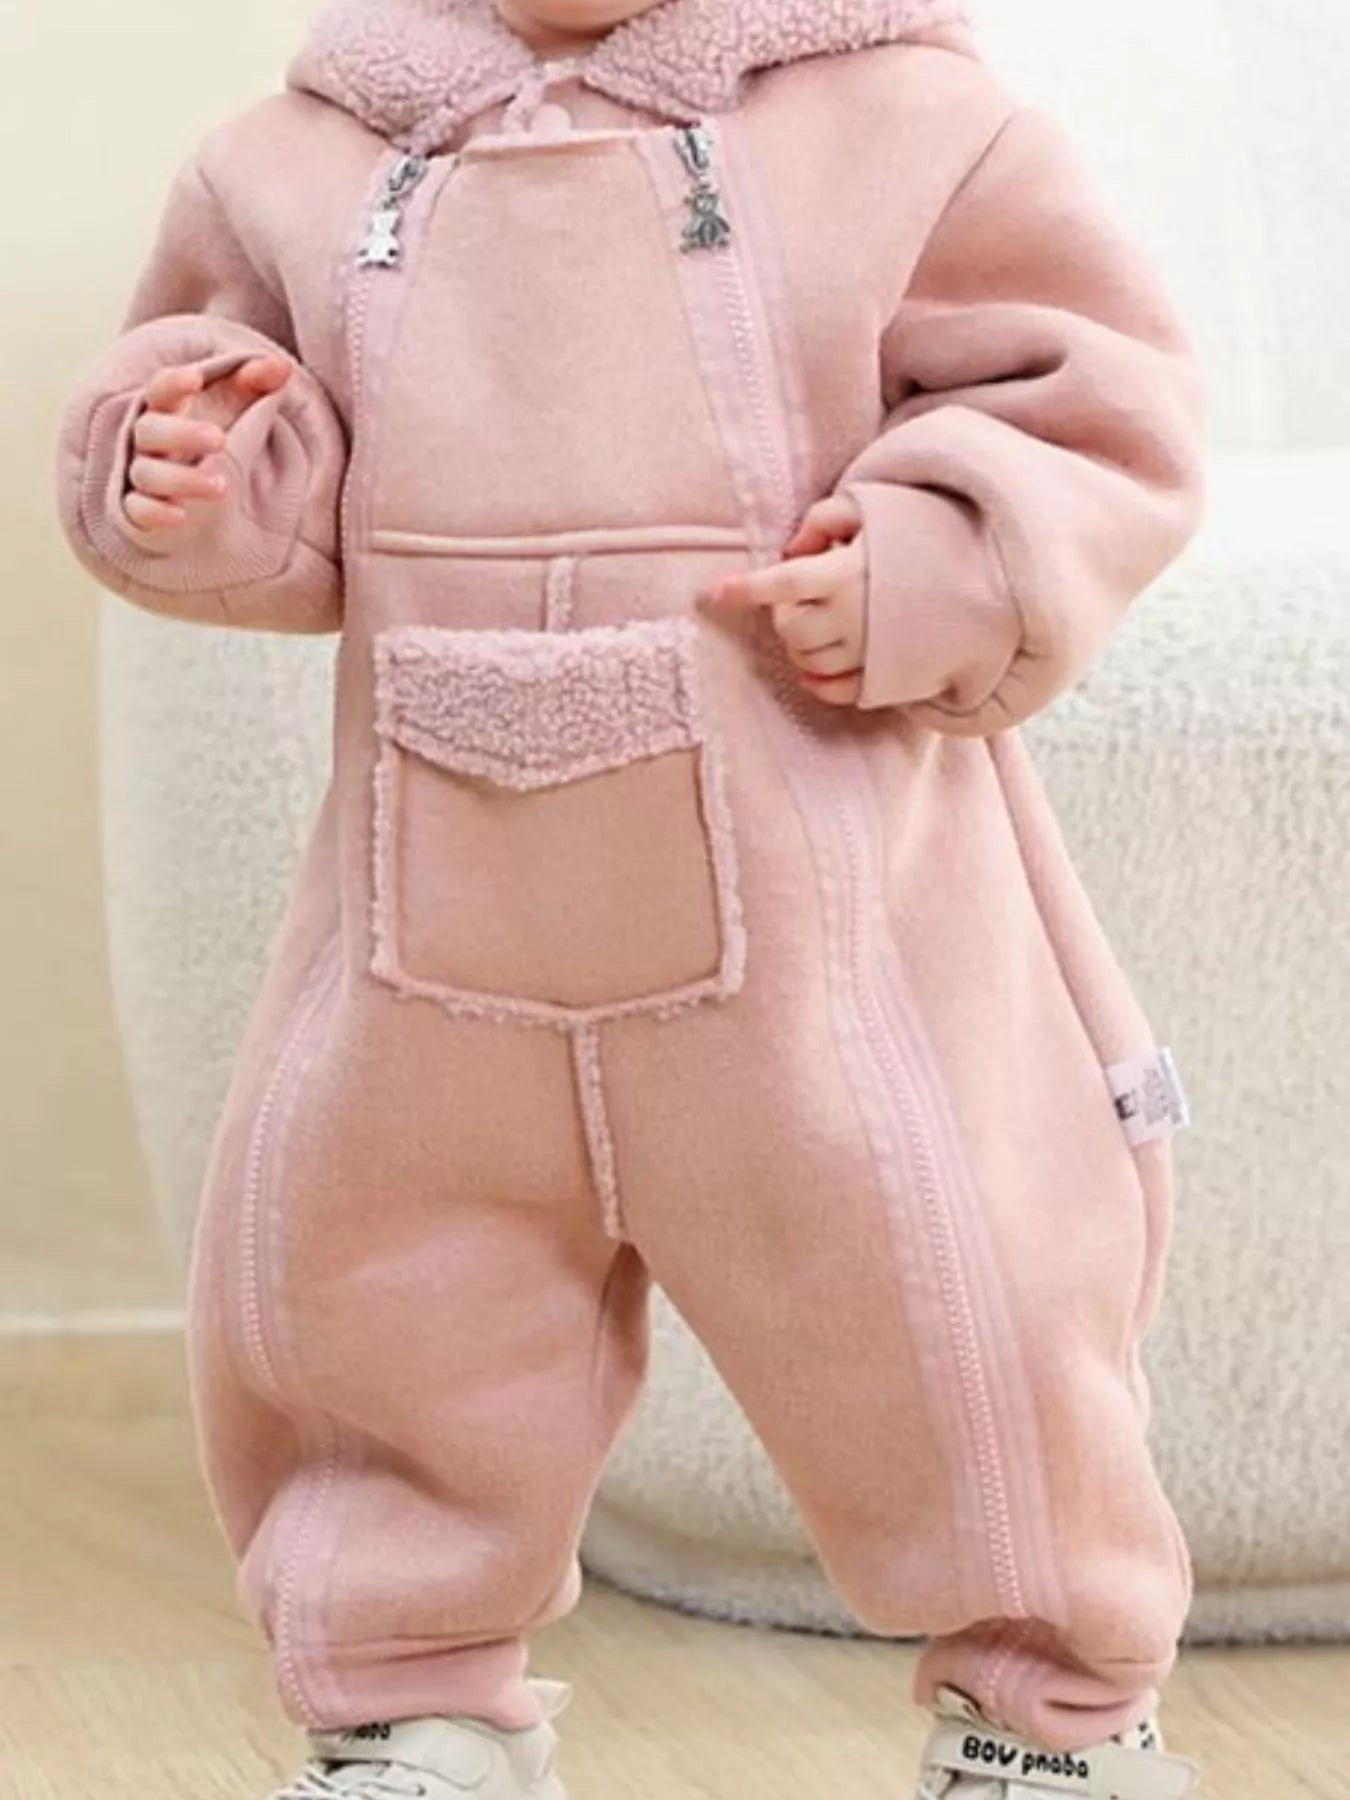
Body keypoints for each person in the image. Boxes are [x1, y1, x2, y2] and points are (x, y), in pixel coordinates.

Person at [54, 2, 1208, 1796]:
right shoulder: (302, 160)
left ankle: (1053, 1720)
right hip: (438, 895)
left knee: (962, 1285)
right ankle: (409, 1707)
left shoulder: (907, 122)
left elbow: (1088, 406)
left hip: (826, 893)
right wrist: (190, 476)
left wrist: (931, 557)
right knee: (374, 1287)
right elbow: (258, 461)